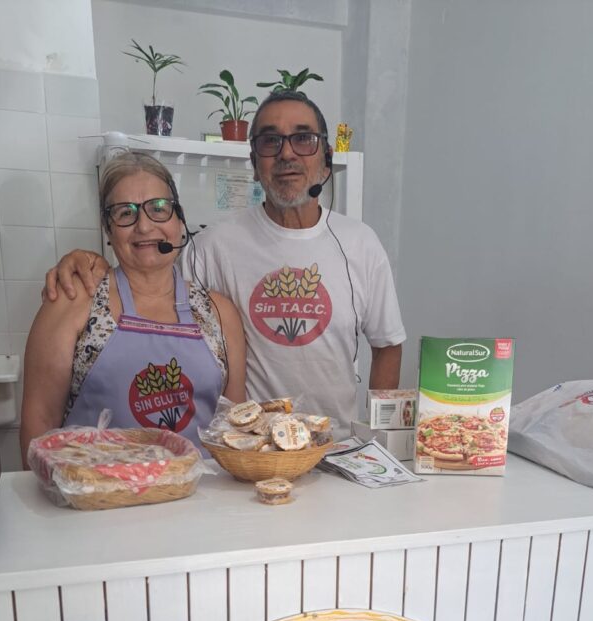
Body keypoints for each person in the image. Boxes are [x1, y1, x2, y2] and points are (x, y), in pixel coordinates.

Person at [43, 91, 404, 428]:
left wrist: (378, 436)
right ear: (254, 163)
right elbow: (150, 288)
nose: (286, 153)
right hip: (248, 451)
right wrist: (91, 262)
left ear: (325, 157)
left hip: (336, 448)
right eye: (270, 141)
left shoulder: (361, 244)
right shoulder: (212, 246)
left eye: (303, 138)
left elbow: (387, 345)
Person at [20, 152, 246, 464]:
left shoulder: (220, 313)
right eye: (125, 213)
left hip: (200, 493)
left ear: (179, 220)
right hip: (96, 492)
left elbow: (235, 429)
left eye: (159, 208)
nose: (144, 226)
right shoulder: (72, 302)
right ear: (108, 230)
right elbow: (39, 427)